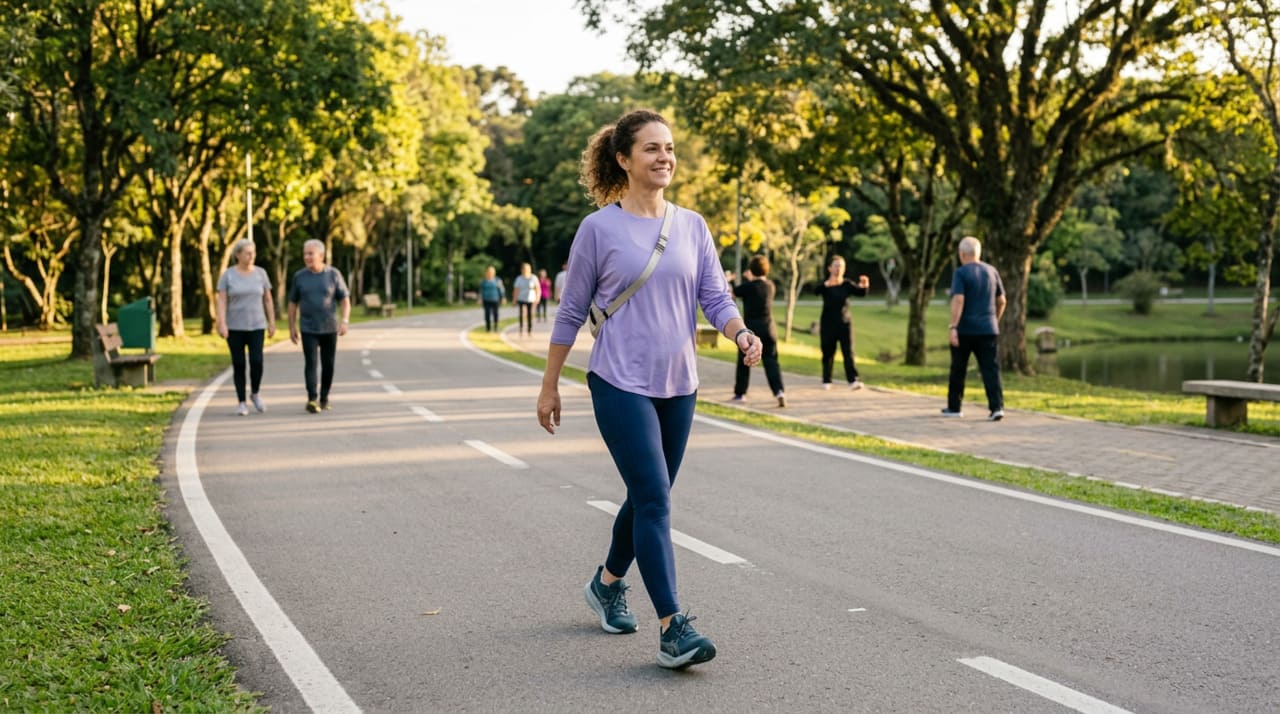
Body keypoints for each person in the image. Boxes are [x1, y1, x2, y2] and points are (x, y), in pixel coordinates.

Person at [536, 109, 762, 670]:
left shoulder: (693, 225)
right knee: (657, 499)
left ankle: (608, 583)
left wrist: (740, 332)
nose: (664, 157)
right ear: (623, 159)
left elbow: (715, 296)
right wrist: (549, 387)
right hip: (618, 380)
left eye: (669, 148)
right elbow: (569, 312)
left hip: (679, 384)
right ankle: (673, 628)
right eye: (651, 149)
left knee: (646, 497)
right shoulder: (598, 229)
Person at [943, 235, 1007, 421]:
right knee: (991, 369)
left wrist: (953, 326)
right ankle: (997, 407)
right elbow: (1002, 300)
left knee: (958, 368)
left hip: (965, 329)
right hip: (988, 328)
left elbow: (958, 299)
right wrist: (994, 319)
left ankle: (954, 406)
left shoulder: (961, 273)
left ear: (962, 254)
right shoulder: (992, 271)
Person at [287, 239, 351, 413]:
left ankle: (324, 397)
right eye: (305, 254)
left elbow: (345, 300)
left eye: (310, 254)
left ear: (321, 256)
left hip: (329, 327)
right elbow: (292, 303)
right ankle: (312, 398)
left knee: (328, 365)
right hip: (308, 327)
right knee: (311, 363)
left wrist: (345, 321)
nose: (307, 257)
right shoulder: (299, 277)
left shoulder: (333, 274)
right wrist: (291, 327)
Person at [215, 239, 275, 416]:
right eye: (247, 253)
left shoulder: (261, 274)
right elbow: (222, 300)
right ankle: (241, 401)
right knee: (239, 363)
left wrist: (271, 322)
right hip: (234, 327)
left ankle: (255, 393)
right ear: (238, 255)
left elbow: (268, 299)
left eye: (253, 252)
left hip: (256, 325)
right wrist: (221, 323)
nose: (251, 256)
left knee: (257, 361)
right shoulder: (228, 275)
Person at [729, 254, 786, 407]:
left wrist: (732, 280)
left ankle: (740, 393)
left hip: (751, 330)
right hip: (769, 328)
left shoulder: (748, 287)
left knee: (744, 361)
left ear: (751, 270)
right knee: (771, 361)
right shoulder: (770, 286)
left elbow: (733, 294)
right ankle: (779, 391)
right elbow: (757, 286)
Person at [816, 255, 870, 390]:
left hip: (845, 323)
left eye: (841, 266)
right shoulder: (825, 285)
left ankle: (853, 380)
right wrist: (825, 284)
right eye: (836, 265)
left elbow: (860, 292)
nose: (838, 268)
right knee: (828, 352)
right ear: (830, 268)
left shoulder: (847, 284)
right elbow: (815, 290)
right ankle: (826, 380)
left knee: (848, 352)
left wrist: (864, 285)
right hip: (828, 324)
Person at [513, 262, 539, 336]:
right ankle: (521, 328)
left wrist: (537, 297)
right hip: (521, 298)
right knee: (521, 314)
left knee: (530, 314)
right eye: (524, 269)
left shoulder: (533, 277)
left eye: (527, 269)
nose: (525, 270)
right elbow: (516, 289)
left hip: (530, 299)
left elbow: (537, 288)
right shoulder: (519, 278)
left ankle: (529, 330)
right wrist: (514, 299)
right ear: (522, 270)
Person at [479, 266, 505, 332]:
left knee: (495, 314)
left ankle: (496, 327)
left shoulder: (497, 280)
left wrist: (503, 297)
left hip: (495, 300)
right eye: (489, 271)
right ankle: (488, 328)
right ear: (487, 272)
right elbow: (481, 291)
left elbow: (501, 289)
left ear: (494, 272)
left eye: (492, 272)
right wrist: (480, 299)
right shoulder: (484, 281)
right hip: (486, 300)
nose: (490, 273)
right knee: (487, 314)